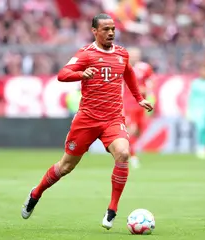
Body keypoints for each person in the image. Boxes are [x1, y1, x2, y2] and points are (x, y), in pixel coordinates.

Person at [21, 13, 153, 230]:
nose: (110, 33)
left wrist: (139, 99)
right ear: (94, 31)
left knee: (123, 153)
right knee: (65, 167)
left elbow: (128, 73)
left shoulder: (122, 54)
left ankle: (112, 210)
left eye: (112, 29)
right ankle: (36, 193)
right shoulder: (86, 53)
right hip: (87, 120)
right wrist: (82, 74)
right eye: (105, 29)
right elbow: (63, 74)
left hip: (113, 118)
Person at [123, 47, 154, 168]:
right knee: (131, 130)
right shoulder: (123, 67)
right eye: (133, 54)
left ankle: (126, 148)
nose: (135, 57)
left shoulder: (145, 68)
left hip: (141, 104)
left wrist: (148, 89)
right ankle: (133, 156)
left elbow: (151, 81)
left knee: (140, 131)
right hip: (128, 103)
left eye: (137, 54)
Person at [187, 65, 205, 160]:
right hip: (197, 108)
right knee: (200, 127)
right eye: (202, 71)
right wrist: (189, 110)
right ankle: (200, 147)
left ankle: (203, 147)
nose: (204, 73)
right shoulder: (195, 83)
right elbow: (191, 97)